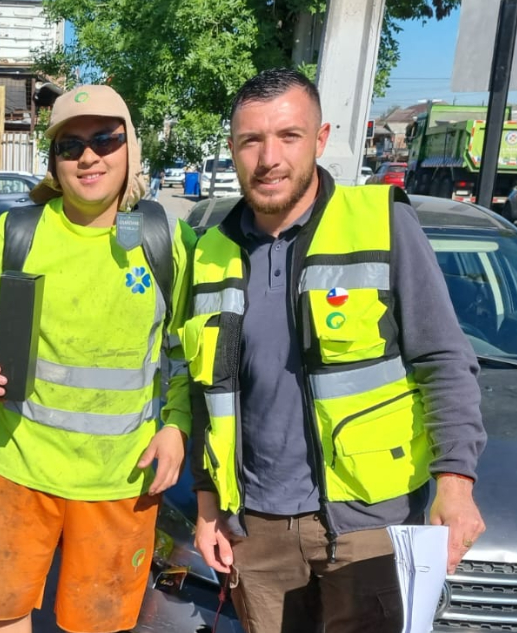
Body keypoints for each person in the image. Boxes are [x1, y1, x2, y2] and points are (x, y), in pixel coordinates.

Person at [185, 68, 487, 633]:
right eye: (251, 140)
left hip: (371, 524)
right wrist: (208, 505)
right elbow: (208, 395)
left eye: (289, 136)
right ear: (232, 148)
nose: (268, 157)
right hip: (256, 528)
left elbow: (443, 360)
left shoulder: (382, 223)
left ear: (320, 140)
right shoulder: (211, 252)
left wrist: (455, 482)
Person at [0, 85, 196, 633]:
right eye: (71, 145)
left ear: (131, 147)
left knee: (98, 625)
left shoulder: (166, 238)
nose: (89, 156)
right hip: (15, 471)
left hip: (121, 481)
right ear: (53, 162)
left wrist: (175, 426)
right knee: (3, 613)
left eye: (106, 139)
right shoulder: (17, 232)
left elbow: (187, 350)